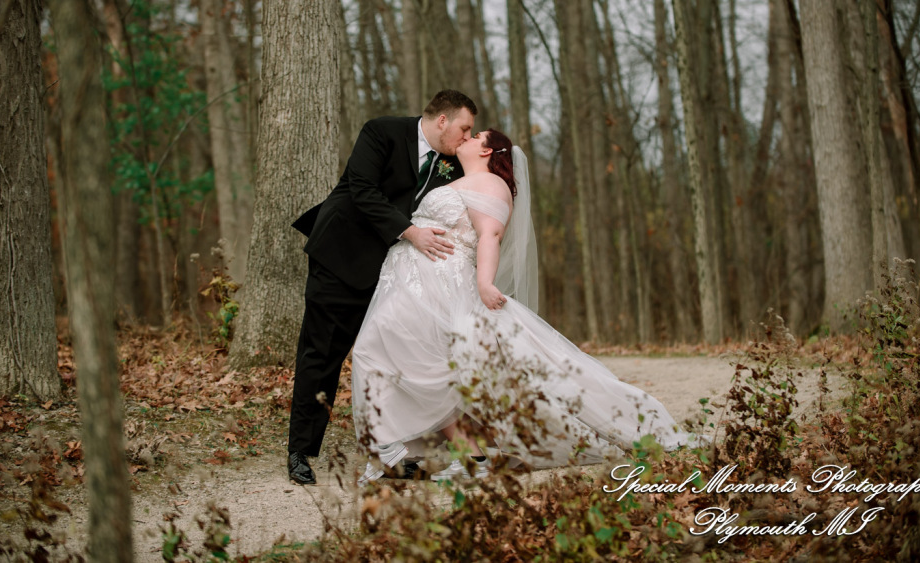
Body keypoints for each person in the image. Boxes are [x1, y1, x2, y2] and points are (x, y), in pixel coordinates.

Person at [352, 129, 695, 485]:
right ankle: (420, 450)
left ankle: (414, 450)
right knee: (403, 358)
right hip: (411, 279)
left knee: (391, 353)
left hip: (440, 284)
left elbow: (490, 236)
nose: (466, 137)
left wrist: (485, 283)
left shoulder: (492, 185)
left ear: (488, 150)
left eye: (474, 135)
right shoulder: (460, 179)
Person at [287, 90, 478, 485]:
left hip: (393, 273)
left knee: (398, 357)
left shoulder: (452, 163)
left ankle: (396, 449)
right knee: (322, 353)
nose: (466, 137)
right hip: (341, 256)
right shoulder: (383, 132)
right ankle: (300, 452)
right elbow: (362, 189)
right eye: (464, 128)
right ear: (443, 120)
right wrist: (411, 233)